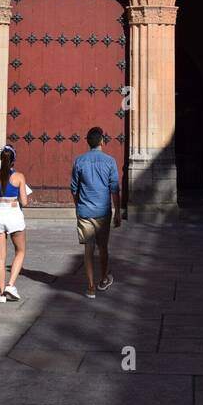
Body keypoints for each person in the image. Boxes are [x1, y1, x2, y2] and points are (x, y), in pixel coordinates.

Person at [70, 127, 121, 299]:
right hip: (103, 212)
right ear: (102, 141)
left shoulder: (79, 161)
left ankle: (90, 287)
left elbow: (74, 188)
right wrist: (118, 212)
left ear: (88, 142)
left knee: (88, 250)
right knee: (103, 247)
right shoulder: (110, 161)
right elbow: (114, 189)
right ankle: (104, 278)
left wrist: (78, 206)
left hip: (85, 212)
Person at [0, 143, 28, 304]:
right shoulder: (19, 177)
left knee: (0, 257)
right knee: (20, 251)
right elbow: (24, 201)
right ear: (13, 161)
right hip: (13, 214)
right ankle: (11, 284)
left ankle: (1, 293)